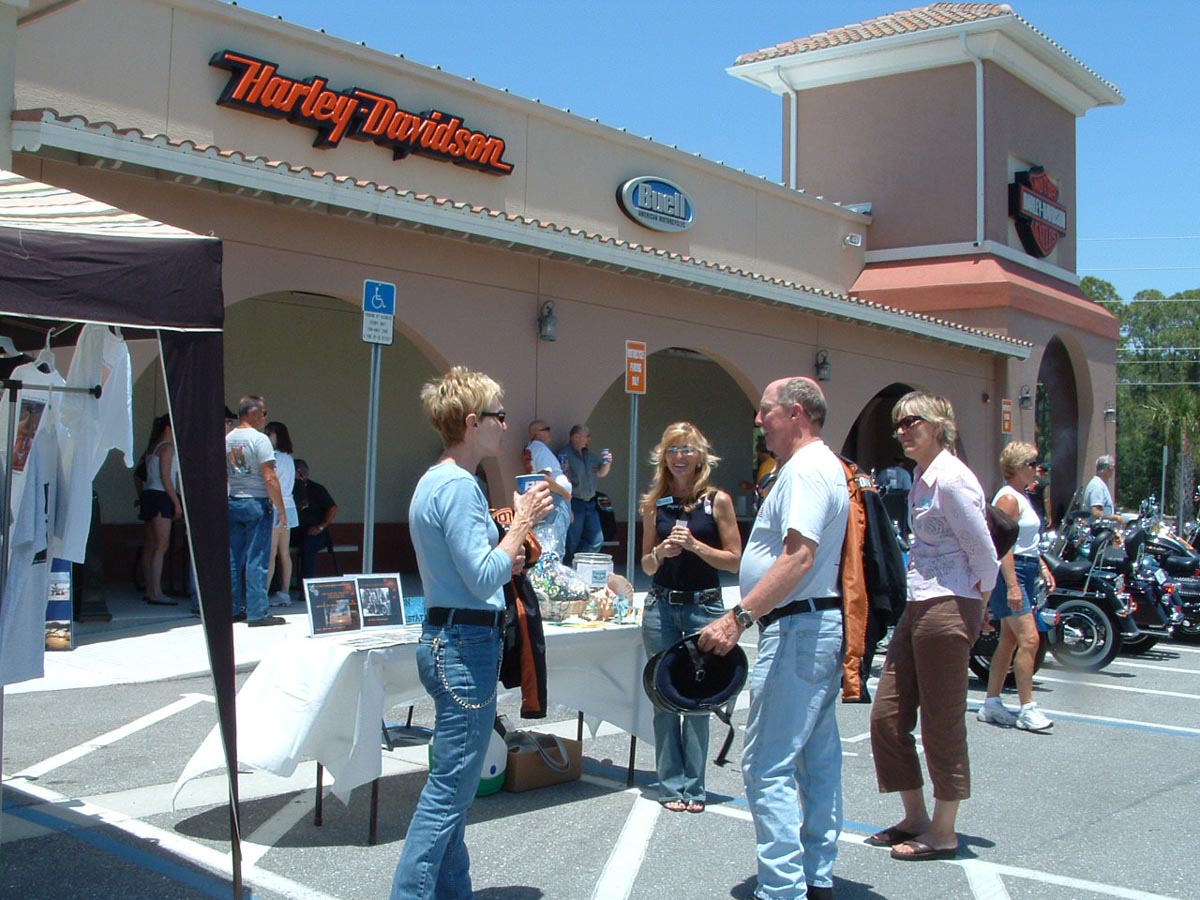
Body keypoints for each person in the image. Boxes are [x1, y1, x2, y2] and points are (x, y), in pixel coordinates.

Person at [389, 366, 552, 900]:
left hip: (450, 639)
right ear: (472, 422)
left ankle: (452, 892)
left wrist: (508, 552)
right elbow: (482, 576)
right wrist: (521, 524)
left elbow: (473, 568)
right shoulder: (459, 485)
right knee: (448, 793)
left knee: (454, 788)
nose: (506, 424)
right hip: (463, 645)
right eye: (499, 415)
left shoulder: (437, 480)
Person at [698, 377, 848, 900]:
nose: (759, 420)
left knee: (766, 764)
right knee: (817, 758)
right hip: (814, 626)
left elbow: (799, 556)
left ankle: (782, 889)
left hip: (799, 627)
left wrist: (737, 617)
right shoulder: (818, 466)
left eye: (766, 411)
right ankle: (815, 875)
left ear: (797, 413)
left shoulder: (805, 469)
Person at [867, 392, 999, 862]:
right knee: (886, 717)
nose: (903, 430)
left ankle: (943, 831)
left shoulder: (952, 480)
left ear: (939, 425)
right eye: (899, 423)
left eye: (912, 421)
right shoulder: (921, 479)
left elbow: (985, 555)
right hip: (918, 600)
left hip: (949, 602)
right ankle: (914, 816)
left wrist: (978, 606)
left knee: (941, 722)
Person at [640, 422, 742, 814]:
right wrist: (660, 553)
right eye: (672, 449)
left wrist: (696, 546)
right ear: (663, 457)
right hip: (662, 606)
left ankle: (695, 787)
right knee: (664, 696)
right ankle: (670, 784)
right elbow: (646, 564)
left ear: (700, 456)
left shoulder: (717, 501)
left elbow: (734, 560)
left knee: (699, 697)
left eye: (686, 449)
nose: (679, 456)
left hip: (705, 607)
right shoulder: (655, 504)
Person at [978, 442, 1056, 732]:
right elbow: (1003, 545)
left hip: (1026, 567)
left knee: (1009, 641)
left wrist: (1043, 567)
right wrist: (1012, 585)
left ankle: (991, 703)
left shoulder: (1020, 496)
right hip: (1013, 572)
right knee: (1030, 640)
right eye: (1032, 464)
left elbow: (1026, 542)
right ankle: (1027, 707)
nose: (1037, 469)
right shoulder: (1008, 499)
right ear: (1017, 467)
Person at [226, 395, 288, 627]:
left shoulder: (228, 439)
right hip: (257, 501)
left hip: (233, 500)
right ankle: (258, 612)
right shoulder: (259, 440)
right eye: (263, 413)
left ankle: (233, 608)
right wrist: (281, 508)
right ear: (253, 413)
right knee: (257, 559)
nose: (265, 417)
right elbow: (269, 477)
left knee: (234, 558)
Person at [137, 414, 181, 606]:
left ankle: (150, 589)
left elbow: (140, 475)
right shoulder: (167, 447)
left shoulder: (152, 447)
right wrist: (176, 503)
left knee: (150, 545)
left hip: (149, 494)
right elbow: (166, 477)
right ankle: (156, 591)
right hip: (161, 496)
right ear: (168, 428)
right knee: (161, 545)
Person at [560, 423, 612, 563]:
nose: (589, 439)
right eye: (587, 436)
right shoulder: (565, 455)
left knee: (597, 540)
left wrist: (607, 463)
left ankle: (577, 563)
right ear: (576, 437)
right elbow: (563, 479)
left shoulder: (590, 456)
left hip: (590, 503)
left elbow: (600, 473)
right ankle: (570, 565)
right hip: (575, 502)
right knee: (572, 540)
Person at [264, 420, 298, 606]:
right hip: (289, 506)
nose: (266, 437)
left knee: (270, 553)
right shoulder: (289, 458)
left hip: (276, 506)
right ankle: (284, 592)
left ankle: (263, 594)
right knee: (284, 552)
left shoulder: (273, 458)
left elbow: (270, 483)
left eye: (269, 434)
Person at [526, 419, 572, 554]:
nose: (550, 432)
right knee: (555, 544)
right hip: (555, 499)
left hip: (555, 498)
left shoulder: (535, 448)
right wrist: (565, 494)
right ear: (536, 433)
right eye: (546, 429)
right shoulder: (540, 448)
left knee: (551, 541)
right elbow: (544, 478)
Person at [291, 458, 339, 580]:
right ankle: (275, 586)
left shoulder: (317, 489)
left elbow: (333, 508)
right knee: (274, 546)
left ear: (302, 473)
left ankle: (306, 584)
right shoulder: (287, 488)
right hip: (292, 531)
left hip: (315, 532)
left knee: (309, 545)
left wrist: (321, 526)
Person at [739, 436, 777, 513]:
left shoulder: (767, 465)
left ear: (759, 451)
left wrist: (748, 486)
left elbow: (761, 487)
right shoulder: (772, 463)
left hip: (765, 499)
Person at [1083, 455, 1118, 523]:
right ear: (1107, 469)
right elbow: (1096, 513)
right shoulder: (1097, 486)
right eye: (1112, 467)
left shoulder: (1100, 484)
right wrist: (1116, 518)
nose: (1113, 470)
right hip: (1096, 528)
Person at [1027, 462, 1053, 528]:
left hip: (1025, 513)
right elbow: (1046, 500)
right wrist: (1048, 516)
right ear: (1044, 472)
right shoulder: (1045, 483)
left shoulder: (1026, 480)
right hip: (1038, 514)